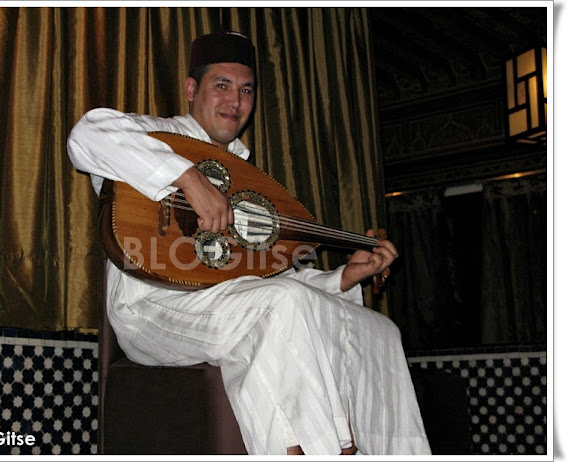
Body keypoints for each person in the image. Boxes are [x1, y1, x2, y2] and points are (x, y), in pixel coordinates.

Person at [67, 31, 431, 456]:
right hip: (153, 308)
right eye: (221, 85)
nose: (235, 101)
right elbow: (86, 134)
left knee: (378, 329)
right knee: (282, 305)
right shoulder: (160, 135)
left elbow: (263, 275)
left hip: (228, 303)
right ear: (191, 89)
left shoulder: (246, 177)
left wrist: (343, 279)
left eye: (246, 90)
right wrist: (190, 179)